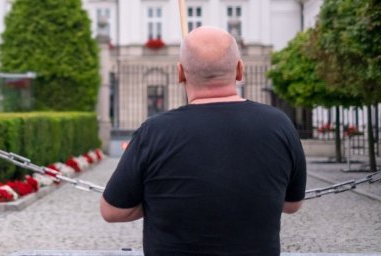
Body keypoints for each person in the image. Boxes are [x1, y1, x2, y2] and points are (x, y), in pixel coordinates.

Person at [100, 26, 306, 256]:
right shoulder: (279, 124)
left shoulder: (154, 132)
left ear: (180, 73)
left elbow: (112, 211)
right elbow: (292, 204)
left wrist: (160, 200)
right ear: (240, 70)